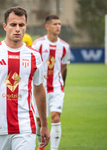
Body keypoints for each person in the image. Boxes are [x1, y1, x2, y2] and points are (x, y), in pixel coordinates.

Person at [0, 6, 50, 150]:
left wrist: (43, 124)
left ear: (25, 27)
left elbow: (39, 90)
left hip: (25, 127)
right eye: (13, 24)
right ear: (5, 26)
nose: (17, 29)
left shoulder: (34, 56)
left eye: (21, 25)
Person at [32, 15, 70, 150]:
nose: (58, 26)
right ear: (47, 26)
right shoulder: (37, 44)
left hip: (57, 87)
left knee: (55, 117)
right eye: (55, 24)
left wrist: (62, 85)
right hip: (39, 88)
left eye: (59, 24)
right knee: (39, 121)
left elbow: (64, 67)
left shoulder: (65, 46)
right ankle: (41, 146)